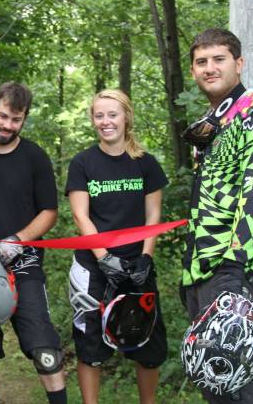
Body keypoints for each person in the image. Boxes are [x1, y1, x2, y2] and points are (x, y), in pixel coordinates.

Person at [180, 28, 253, 403]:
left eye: (219, 59)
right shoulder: (215, 122)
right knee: (210, 376)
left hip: (236, 266)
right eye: (201, 61)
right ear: (193, 70)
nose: (209, 68)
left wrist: (236, 273)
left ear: (239, 64)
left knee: (231, 376)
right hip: (202, 264)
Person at [0, 82, 67, 404]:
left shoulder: (35, 157)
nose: (7, 125)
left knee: (45, 348)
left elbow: (49, 211)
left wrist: (19, 239)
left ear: (25, 119)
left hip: (24, 263)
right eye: (3, 116)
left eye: (16, 120)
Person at [65, 89, 168, 404]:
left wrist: (145, 259)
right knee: (90, 346)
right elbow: (81, 215)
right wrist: (105, 258)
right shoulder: (83, 163)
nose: (106, 122)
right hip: (94, 268)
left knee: (148, 347)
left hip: (137, 268)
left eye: (112, 114)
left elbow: (153, 215)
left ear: (126, 117)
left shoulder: (145, 163)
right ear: (92, 120)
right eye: (99, 115)